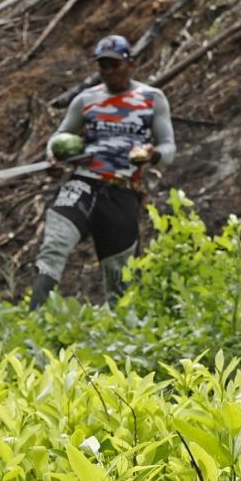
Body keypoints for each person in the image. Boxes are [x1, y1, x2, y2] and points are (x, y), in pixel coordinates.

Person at [29, 34, 176, 309]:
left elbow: (169, 147)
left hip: (122, 191)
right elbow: (60, 136)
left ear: (130, 64)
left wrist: (153, 154)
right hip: (84, 182)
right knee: (54, 245)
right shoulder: (86, 100)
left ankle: (118, 338)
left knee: (121, 275)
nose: (109, 72)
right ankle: (33, 319)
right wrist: (55, 157)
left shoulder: (152, 99)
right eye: (103, 66)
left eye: (115, 65)